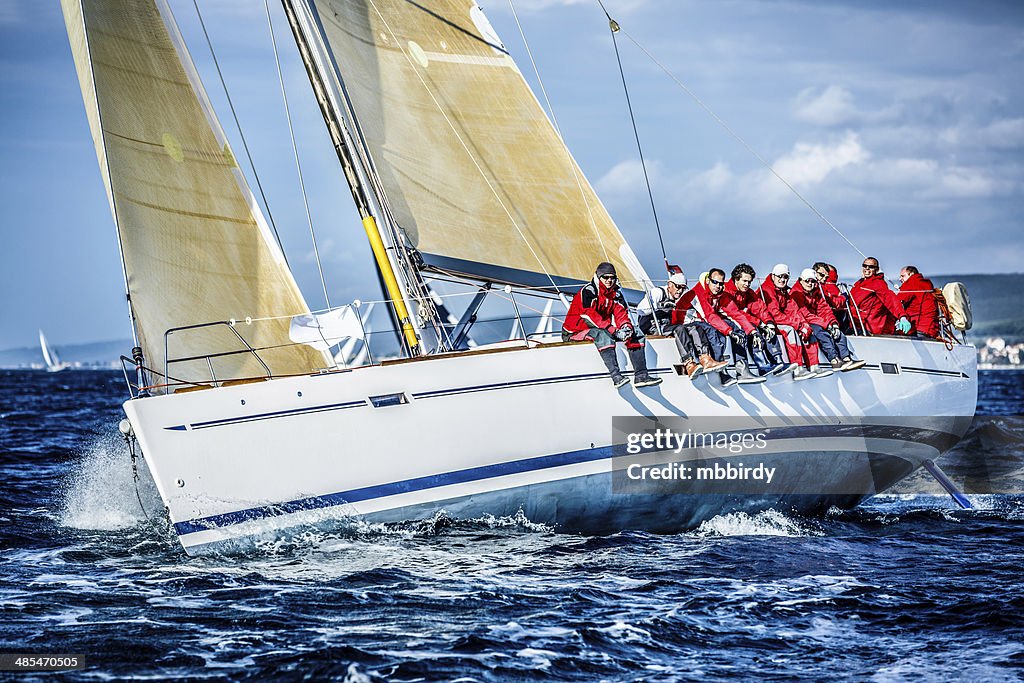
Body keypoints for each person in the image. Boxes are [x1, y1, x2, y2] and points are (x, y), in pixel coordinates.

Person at [562, 262, 662, 388]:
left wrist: (626, 327)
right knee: (602, 334)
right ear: (598, 277)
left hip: (602, 329)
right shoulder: (588, 291)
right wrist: (613, 330)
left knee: (636, 332)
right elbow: (589, 316)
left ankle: (641, 376)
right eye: (605, 277)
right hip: (574, 333)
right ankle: (616, 377)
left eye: (612, 277)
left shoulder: (616, 293)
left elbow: (621, 314)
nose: (609, 280)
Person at [637, 272, 726, 380]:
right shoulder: (658, 292)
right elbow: (640, 310)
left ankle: (705, 359)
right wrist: (660, 306)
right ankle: (688, 363)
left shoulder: (676, 297)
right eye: (678, 286)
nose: (680, 290)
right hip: (651, 328)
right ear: (670, 284)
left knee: (695, 327)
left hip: (666, 326)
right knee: (679, 328)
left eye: (683, 288)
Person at [674, 269, 749, 389]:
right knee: (712, 330)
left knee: (724, 327)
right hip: (685, 323)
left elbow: (735, 313)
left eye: (721, 283)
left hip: (698, 321)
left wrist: (751, 331)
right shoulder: (698, 292)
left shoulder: (716, 293)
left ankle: (739, 368)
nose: (718, 286)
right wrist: (729, 331)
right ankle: (720, 370)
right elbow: (709, 316)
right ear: (708, 280)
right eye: (715, 282)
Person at [757, 264, 831, 380]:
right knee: (791, 331)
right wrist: (797, 325)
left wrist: (804, 325)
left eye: (785, 277)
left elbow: (794, 310)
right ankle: (798, 369)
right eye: (780, 276)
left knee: (808, 331)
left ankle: (814, 366)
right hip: (769, 323)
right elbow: (774, 314)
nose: (782, 279)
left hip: (780, 321)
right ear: (773, 276)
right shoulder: (768, 290)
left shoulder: (784, 291)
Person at [792, 268, 866, 371]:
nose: (810, 283)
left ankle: (846, 359)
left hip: (817, 321)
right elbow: (805, 314)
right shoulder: (796, 294)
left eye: (813, 281)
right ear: (800, 280)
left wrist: (833, 324)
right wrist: (826, 325)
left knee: (839, 333)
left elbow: (824, 309)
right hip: (805, 322)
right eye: (807, 281)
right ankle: (834, 360)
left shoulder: (816, 292)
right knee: (821, 332)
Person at [722, 263, 788, 379]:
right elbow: (737, 313)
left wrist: (769, 323)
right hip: (731, 321)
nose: (747, 284)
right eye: (744, 281)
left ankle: (778, 361)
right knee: (753, 329)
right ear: (735, 279)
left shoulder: (748, 293)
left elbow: (761, 308)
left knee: (768, 329)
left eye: (749, 282)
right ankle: (761, 365)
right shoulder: (726, 292)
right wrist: (759, 323)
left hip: (745, 320)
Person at [849, 257, 912, 335]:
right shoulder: (858, 283)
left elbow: (891, 299)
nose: (867, 268)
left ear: (876, 269)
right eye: (865, 266)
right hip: (855, 325)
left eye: (871, 267)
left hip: (869, 329)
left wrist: (902, 317)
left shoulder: (878, 284)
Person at [897, 266, 940, 339]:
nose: (900, 279)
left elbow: (897, 302)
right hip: (931, 327)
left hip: (920, 327)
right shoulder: (926, 283)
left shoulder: (911, 282)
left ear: (911, 274)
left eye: (902, 276)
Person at [813, 261, 851, 332]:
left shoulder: (822, 286)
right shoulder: (827, 287)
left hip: (826, 318)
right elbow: (834, 303)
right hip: (825, 319)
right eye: (821, 274)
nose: (824, 278)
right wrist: (844, 297)